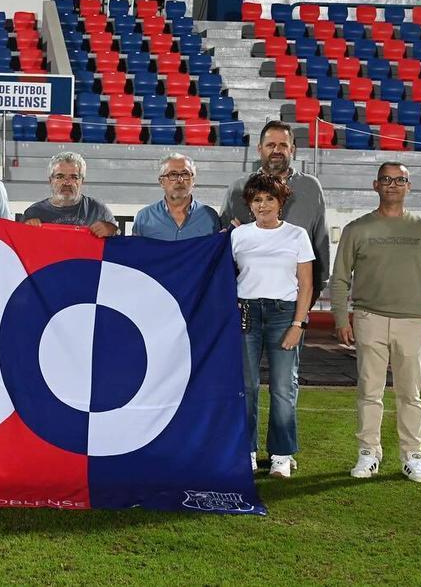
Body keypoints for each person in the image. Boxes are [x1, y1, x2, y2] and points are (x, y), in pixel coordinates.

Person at [331, 162, 421, 484]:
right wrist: (342, 317)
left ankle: (413, 456)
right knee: (370, 391)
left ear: (409, 186)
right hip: (369, 318)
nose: (393, 185)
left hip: (412, 322)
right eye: (386, 180)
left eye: (400, 180)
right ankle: (369, 453)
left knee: (410, 394)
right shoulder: (357, 229)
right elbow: (339, 278)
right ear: (375, 185)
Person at [231, 173, 315, 479]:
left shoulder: (297, 235)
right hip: (245, 314)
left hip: (284, 315)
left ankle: (281, 454)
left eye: (269, 198)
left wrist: (298, 323)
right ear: (249, 205)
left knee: (283, 387)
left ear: (281, 202)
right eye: (256, 199)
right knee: (246, 387)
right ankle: (246, 451)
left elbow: (306, 284)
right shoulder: (237, 236)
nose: (263, 205)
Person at [220, 120, 329, 304]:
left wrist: (318, 286)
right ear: (259, 148)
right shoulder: (238, 188)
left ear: (292, 149)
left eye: (283, 145)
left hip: (296, 295)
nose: (276, 150)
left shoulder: (310, 187)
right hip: (247, 296)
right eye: (270, 145)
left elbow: (321, 240)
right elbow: (224, 242)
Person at [22, 151, 117, 237]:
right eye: (60, 177)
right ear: (50, 180)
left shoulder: (98, 211)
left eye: (74, 177)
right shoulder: (33, 213)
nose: (66, 183)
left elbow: (120, 248)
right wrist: (25, 231)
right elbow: (17, 249)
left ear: (82, 181)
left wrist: (112, 231)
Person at [133, 153, 222, 240]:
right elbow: (135, 251)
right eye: (173, 174)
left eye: (185, 174)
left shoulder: (210, 216)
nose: (180, 180)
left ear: (193, 181)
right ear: (161, 182)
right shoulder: (144, 217)